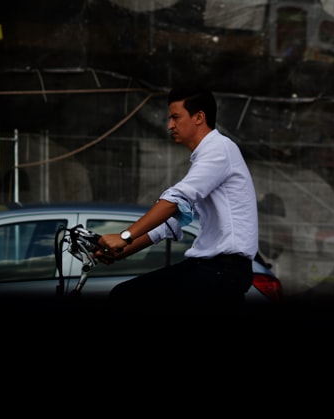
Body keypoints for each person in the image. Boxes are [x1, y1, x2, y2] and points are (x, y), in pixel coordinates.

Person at [94, 86, 258, 307]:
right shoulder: (207, 157)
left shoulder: (219, 150)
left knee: (125, 296)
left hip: (221, 271)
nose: (170, 125)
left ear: (199, 117)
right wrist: (121, 251)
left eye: (175, 117)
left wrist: (124, 237)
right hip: (215, 270)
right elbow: (172, 222)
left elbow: (176, 199)